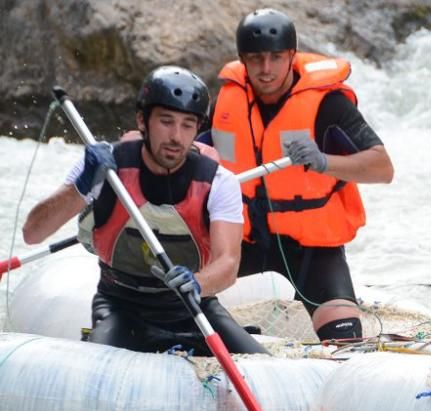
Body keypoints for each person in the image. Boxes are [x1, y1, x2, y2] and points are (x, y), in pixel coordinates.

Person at [23, 66, 265, 356]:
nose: (176, 136)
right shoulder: (103, 167)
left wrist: (197, 282)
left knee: (257, 364)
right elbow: (32, 233)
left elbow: (228, 263)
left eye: (188, 125)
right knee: (98, 372)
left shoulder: (218, 182)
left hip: (192, 307)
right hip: (122, 307)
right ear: (142, 120)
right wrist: (82, 184)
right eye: (166, 121)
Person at [208, 8, 394, 342]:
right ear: (242, 59)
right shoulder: (227, 99)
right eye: (256, 59)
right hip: (240, 240)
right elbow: (188, 157)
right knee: (175, 294)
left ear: (291, 56)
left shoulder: (328, 105)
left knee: (345, 341)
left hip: (311, 249)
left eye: (276, 58)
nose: (266, 70)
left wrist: (324, 161)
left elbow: (383, 168)